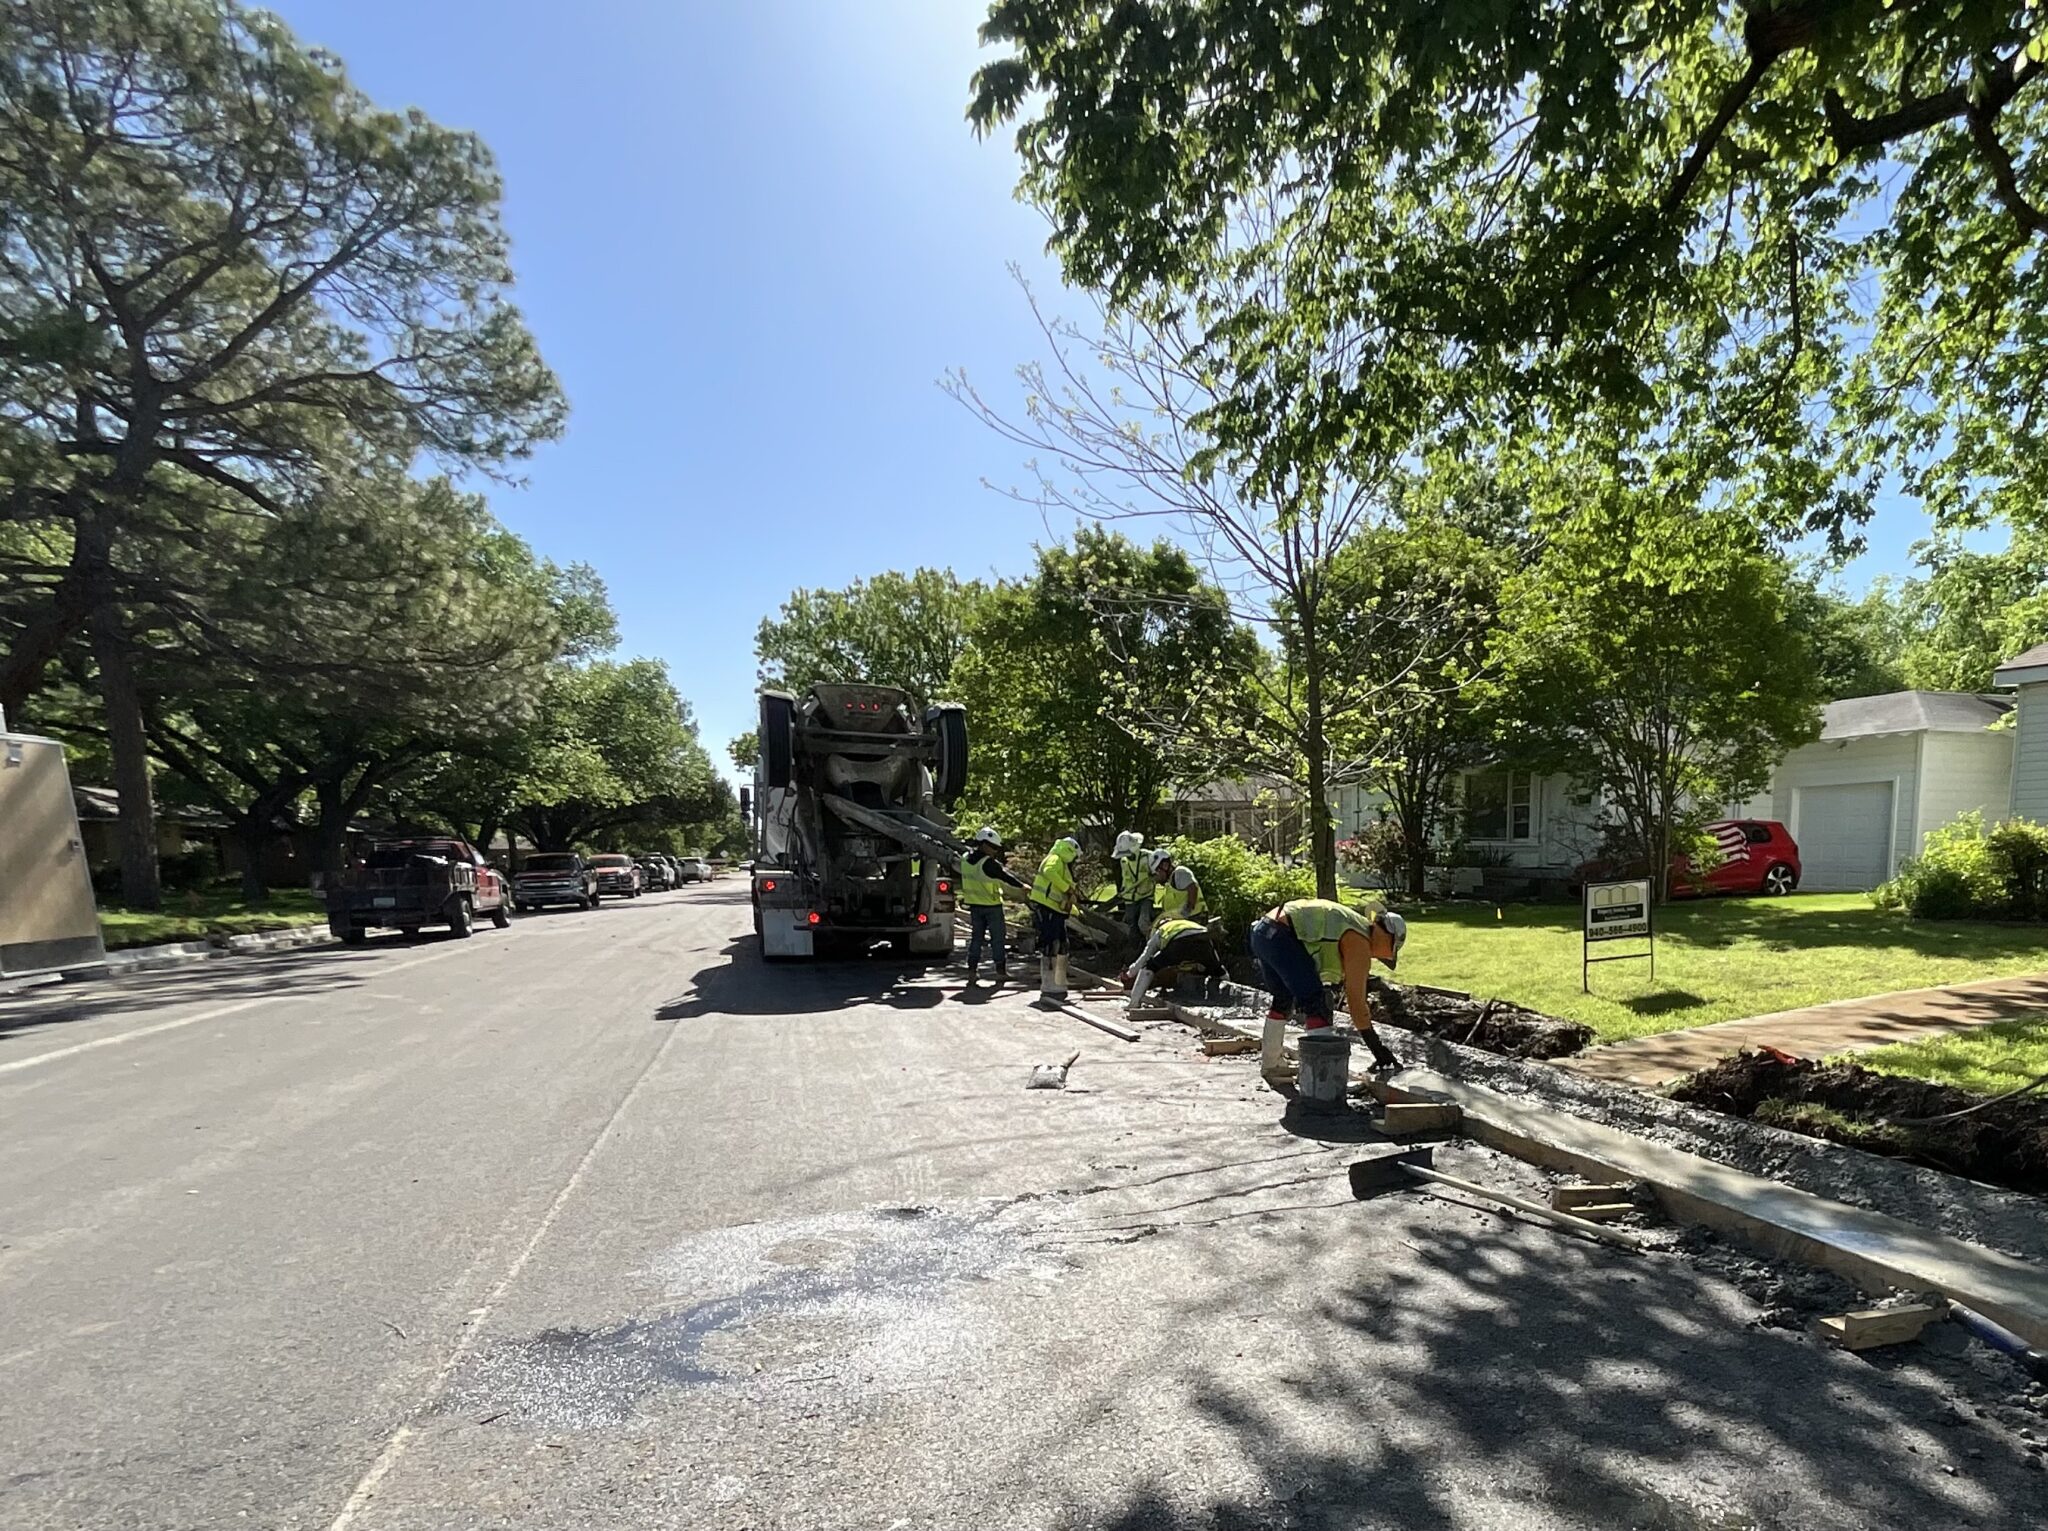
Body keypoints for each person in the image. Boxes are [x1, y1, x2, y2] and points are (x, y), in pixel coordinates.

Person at [1249, 898, 1409, 1070]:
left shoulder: (1353, 925)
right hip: (1281, 935)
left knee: (1283, 999)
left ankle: (1271, 1064)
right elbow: (1356, 1002)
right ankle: (1321, 1074)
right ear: (1388, 937)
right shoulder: (1360, 940)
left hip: (1263, 932)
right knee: (1317, 1004)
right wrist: (1378, 1048)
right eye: (1391, 950)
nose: (1384, 956)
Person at [959, 827, 1030, 985]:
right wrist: (1022, 886)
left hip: (974, 906)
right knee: (997, 939)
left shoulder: (965, 859)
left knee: (976, 939)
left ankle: (972, 972)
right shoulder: (989, 863)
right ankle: (1001, 971)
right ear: (984, 844)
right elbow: (1005, 877)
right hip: (991, 906)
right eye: (993, 847)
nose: (995, 851)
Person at [1122, 915, 1225, 1015]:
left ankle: (1134, 1003)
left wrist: (1130, 974)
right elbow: (1213, 954)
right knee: (1218, 971)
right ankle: (1228, 1000)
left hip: (1178, 945)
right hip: (1204, 944)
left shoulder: (1162, 930)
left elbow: (1144, 957)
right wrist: (1215, 966)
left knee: (1149, 967)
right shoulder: (1190, 924)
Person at [1028, 835, 1082, 1001]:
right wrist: (1067, 889)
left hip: (1054, 908)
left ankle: (1058, 984)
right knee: (1052, 944)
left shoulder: (1062, 864)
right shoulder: (1055, 859)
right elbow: (1049, 872)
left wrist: (1073, 907)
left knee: (1062, 944)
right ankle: (1050, 985)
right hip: (1047, 907)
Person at [1112, 830, 1155, 939]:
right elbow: (1125, 879)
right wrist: (1123, 890)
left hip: (1146, 896)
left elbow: (1157, 875)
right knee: (1129, 926)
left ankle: (1152, 943)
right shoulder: (1123, 861)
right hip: (1129, 899)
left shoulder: (1148, 857)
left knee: (1143, 923)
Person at [1149, 849, 1204, 923]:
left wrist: (1185, 913)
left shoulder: (1180, 873)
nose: (1157, 876)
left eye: (1157, 871)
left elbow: (1193, 889)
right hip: (1181, 922)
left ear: (1165, 866)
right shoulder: (1168, 885)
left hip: (1195, 918)